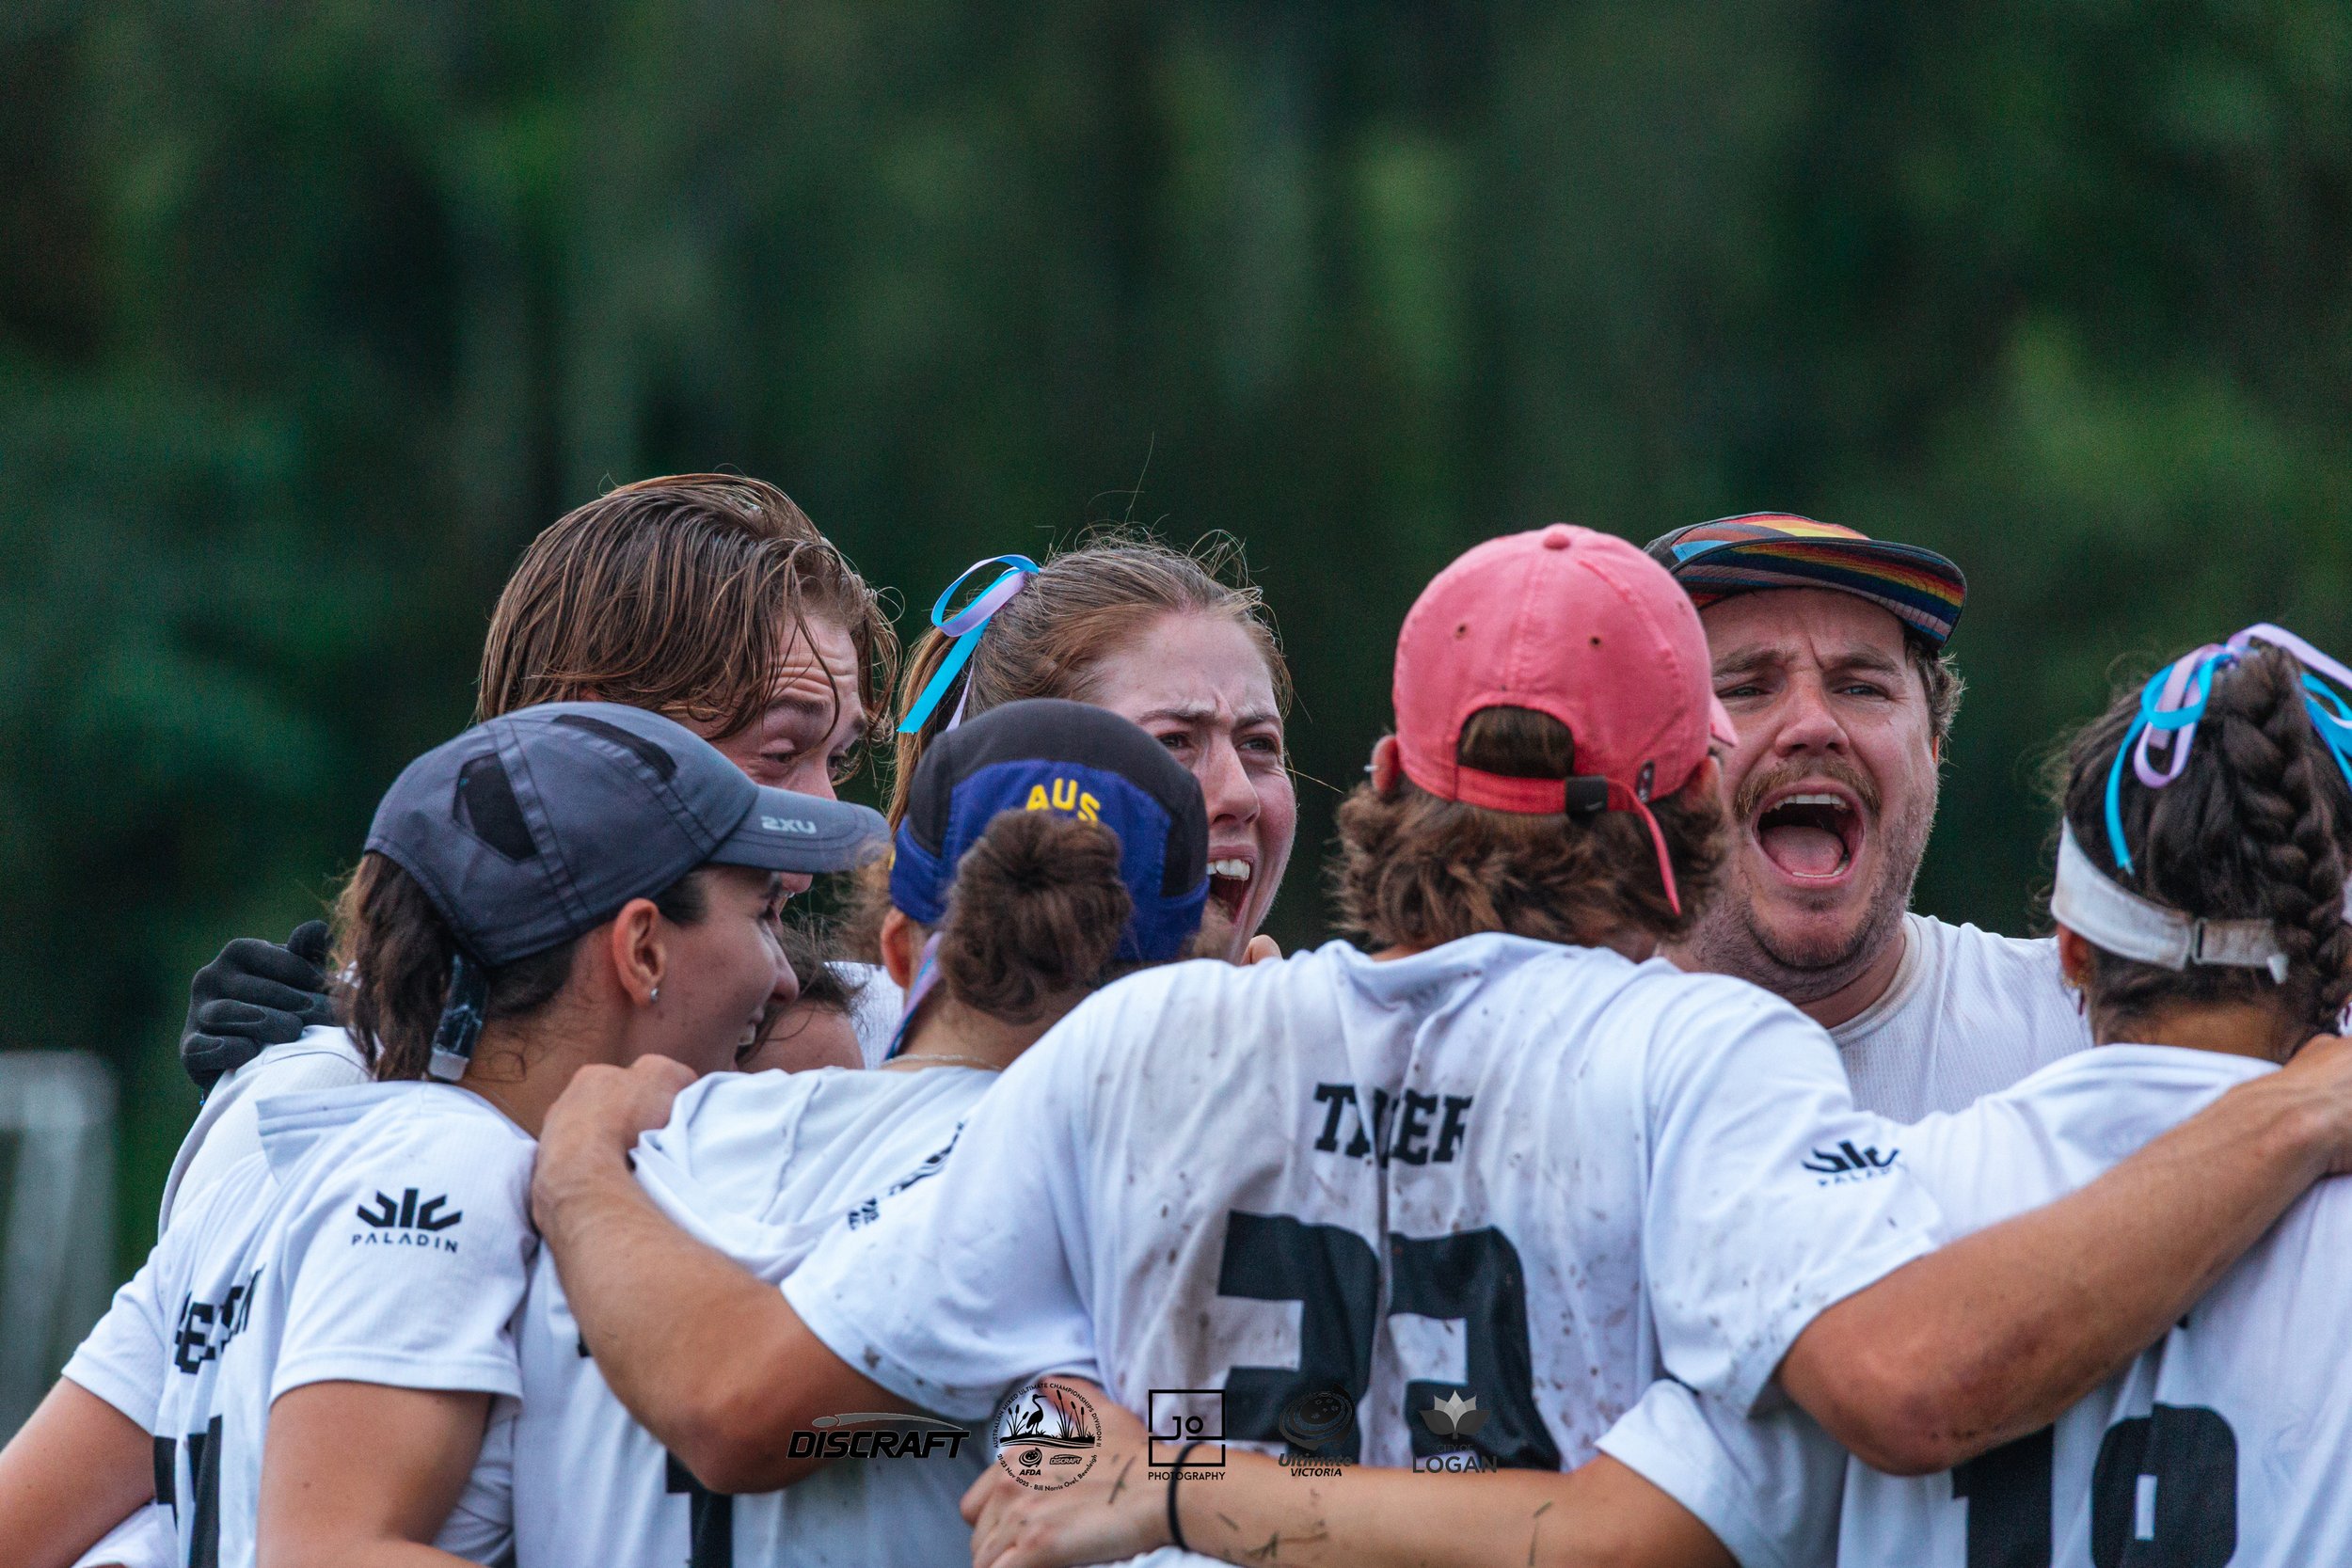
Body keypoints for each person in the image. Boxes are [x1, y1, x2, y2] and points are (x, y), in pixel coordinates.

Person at [532, 525, 2352, 1557]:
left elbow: (740, 1407)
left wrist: (580, 1172)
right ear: (1685, 818)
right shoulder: (1707, 1063)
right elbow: (1640, 1533)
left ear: (1385, 781)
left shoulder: (1153, 1043)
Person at [0, 703, 887, 1568]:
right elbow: (326, 1554)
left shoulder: (266, 1183)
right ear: (642, 950)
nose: (782, 979)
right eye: (764, 914)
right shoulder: (460, 1168)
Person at [512, 698, 1215, 1568]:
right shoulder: (1084, 1196)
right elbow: (735, 1406)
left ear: (898, 950)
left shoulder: (642, 1131)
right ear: (1174, 991)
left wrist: (578, 1167)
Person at [160, 472, 898, 1233]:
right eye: (779, 753)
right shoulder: (331, 1096)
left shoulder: (840, 1027)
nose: (817, 840)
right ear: (592, 739)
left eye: (837, 760)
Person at [1645, 514, 2090, 1119]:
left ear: (1935, 747)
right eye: (1747, 688)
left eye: (1861, 688)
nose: (1814, 726)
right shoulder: (1540, 1068)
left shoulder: (2086, 1038)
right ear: (1636, 756)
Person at [882, 537, 1295, 963]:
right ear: (1011, 788)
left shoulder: (1302, 1023)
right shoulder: (843, 1025)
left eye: (1259, 744)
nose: (1241, 796)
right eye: (1171, 741)